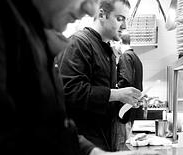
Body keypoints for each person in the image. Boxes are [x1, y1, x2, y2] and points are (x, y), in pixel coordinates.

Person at [0, 0, 159, 155]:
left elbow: (52, 124)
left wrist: (96, 153)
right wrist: (116, 94)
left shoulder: (39, 34)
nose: (89, 9)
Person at [56, 0, 142, 152]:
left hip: (104, 140)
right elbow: (70, 91)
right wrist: (117, 94)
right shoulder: (79, 43)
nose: (125, 26)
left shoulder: (107, 51)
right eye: (120, 19)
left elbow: (104, 101)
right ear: (102, 14)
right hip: (84, 144)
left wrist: (126, 100)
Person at [116, 32, 144, 149]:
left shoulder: (125, 57)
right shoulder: (136, 57)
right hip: (133, 107)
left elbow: (126, 80)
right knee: (131, 142)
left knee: (125, 143)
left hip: (126, 108)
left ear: (119, 43)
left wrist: (114, 89)